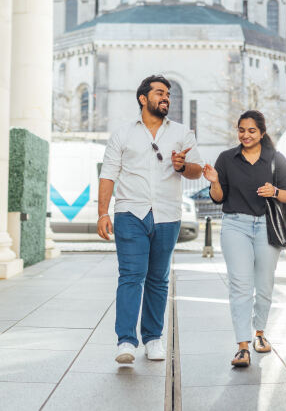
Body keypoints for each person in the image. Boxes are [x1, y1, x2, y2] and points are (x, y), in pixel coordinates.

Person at [98, 75, 204, 365]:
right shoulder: (122, 134)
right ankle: (126, 341)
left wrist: (184, 166)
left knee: (158, 279)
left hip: (168, 215)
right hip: (130, 212)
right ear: (143, 98)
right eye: (159, 92)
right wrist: (102, 213)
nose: (165, 97)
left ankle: (153, 338)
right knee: (131, 275)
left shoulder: (183, 132)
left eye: (168, 93)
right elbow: (108, 174)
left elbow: (198, 170)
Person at [202, 110, 286, 367]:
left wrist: (274, 191)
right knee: (240, 286)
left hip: (267, 226)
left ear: (262, 133)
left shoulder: (276, 159)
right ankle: (242, 346)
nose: (245, 135)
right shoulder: (226, 159)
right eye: (241, 130)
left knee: (264, 286)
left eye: (252, 130)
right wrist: (214, 181)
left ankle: (260, 334)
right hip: (235, 226)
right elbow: (219, 197)